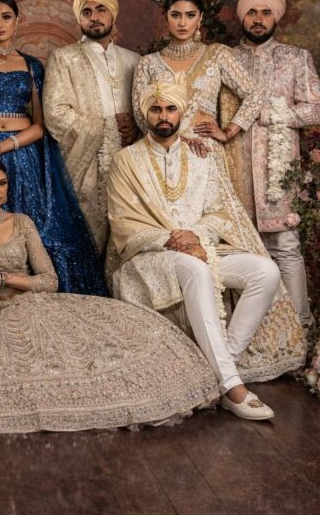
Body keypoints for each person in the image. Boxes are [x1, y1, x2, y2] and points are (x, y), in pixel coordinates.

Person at [0, 158, 220, 433]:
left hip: (40, 303)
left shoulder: (22, 222)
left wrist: (0, 276)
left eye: (2, 183)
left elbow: (49, 280)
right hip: (1, 315)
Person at [108, 82, 306, 421]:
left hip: (202, 246)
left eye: (171, 109)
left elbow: (218, 211)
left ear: (181, 111)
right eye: (156, 109)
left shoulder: (202, 156)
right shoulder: (126, 161)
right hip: (152, 254)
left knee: (266, 271)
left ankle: (217, 365)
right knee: (196, 271)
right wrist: (171, 238)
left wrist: (195, 236)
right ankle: (232, 386)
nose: (164, 116)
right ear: (146, 114)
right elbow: (122, 222)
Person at [0, 0, 106, 295]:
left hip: (20, 153)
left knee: (33, 229)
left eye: (6, 16)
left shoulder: (31, 66)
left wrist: (1, 148)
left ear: (17, 22)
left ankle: (32, 296)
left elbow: (41, 126)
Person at [228, 0, 320, 326]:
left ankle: (300, 329)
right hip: (233, 171)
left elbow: (316, 110)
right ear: (242, 17)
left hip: (277, 174)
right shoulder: (225, 59)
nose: (258, 19)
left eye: (265, 12)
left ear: (276, 18)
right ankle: (258, 340)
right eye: (251, 12)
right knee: (241, 254)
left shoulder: (296, 58)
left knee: (285, 249)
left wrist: (271, 114)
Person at [43, 0, 141, 256]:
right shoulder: (64, 57)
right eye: (86, 12)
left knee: (128, 236)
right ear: (79, 19)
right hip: (85, 166)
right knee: (88, 237)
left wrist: (136, 125)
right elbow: (55, 113)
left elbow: (145, 109)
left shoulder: (133, 60)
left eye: (101, 10)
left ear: (113, 14)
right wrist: (108, 126)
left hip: (129, 164)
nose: (94, 17)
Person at [131, 0, 264, 154]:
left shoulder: (216, 55)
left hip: (203, 153)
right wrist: (176, 140)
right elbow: (140, 114)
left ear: (200, 19)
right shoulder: (147, 63)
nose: (182, 23)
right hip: (161, 151)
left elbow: (255, 95)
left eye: (190, 15)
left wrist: (228, 132)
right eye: (175, 15)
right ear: (166, 18)